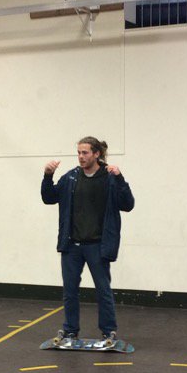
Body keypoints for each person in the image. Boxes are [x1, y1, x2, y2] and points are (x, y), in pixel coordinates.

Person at [41, 137, 135, 348]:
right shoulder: (71, 177)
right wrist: (48, 175)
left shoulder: (109, 178)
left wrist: (120, 179)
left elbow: (128, 204)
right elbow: (49, 197)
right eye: (79, 153)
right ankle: (70, 331)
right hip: (72, 245)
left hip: (98, 245)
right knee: (70, 291)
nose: (81, 157)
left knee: (103, 290)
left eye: (85, 153)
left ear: (96, 154)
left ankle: (108, 332)